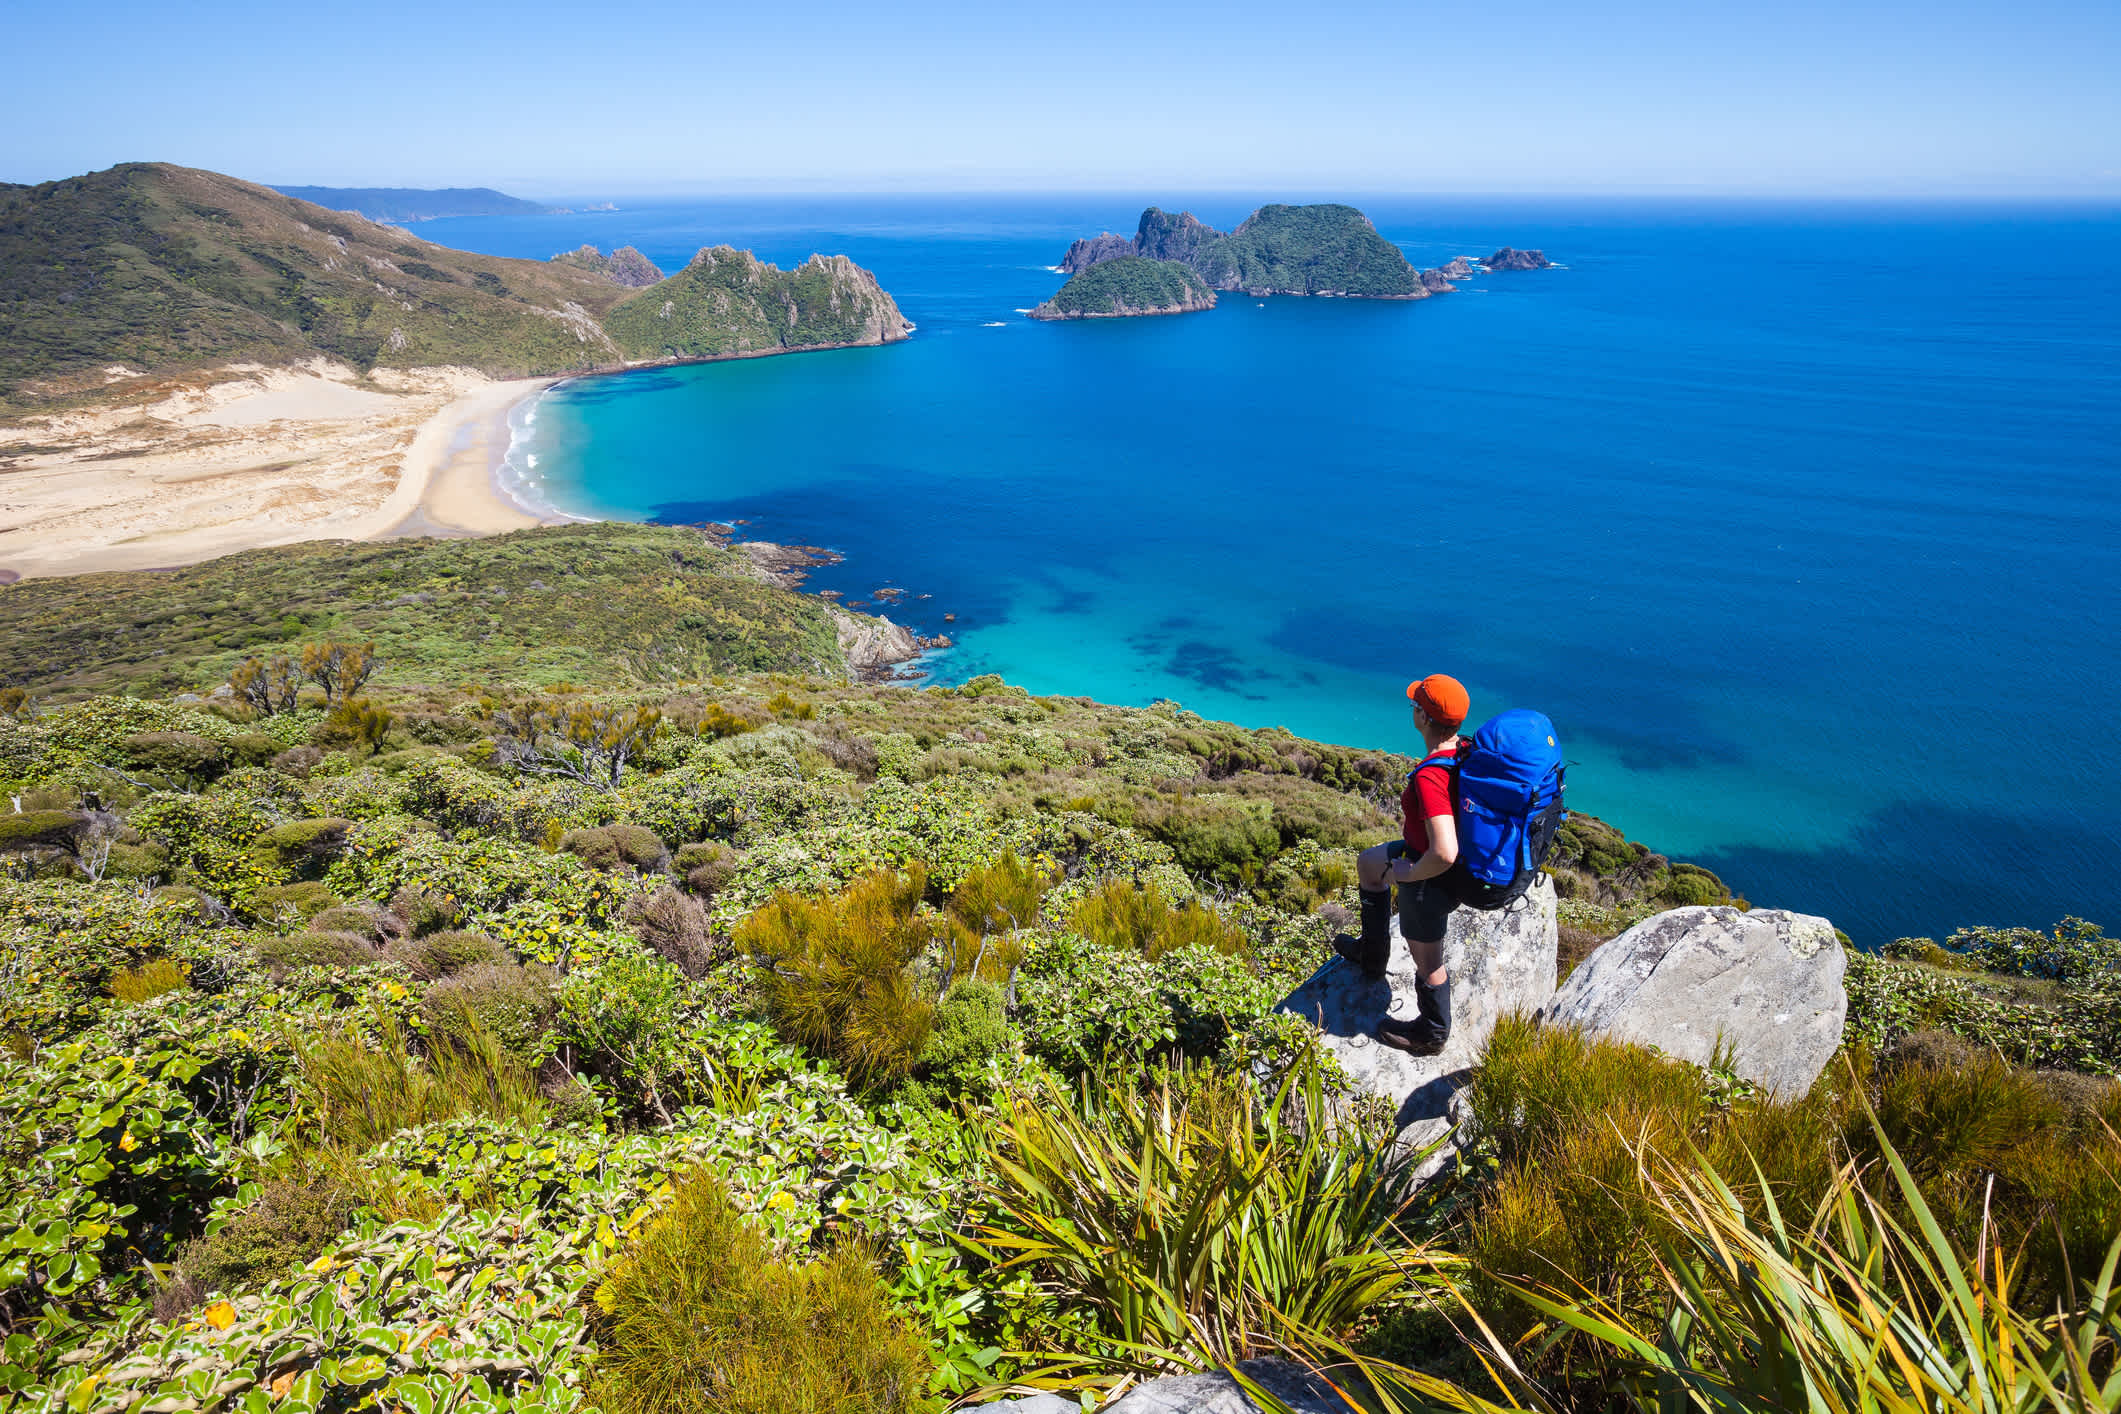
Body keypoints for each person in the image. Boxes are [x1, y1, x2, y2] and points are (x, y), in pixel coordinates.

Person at [1332, 673, 1469, 1055]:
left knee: (1428, 962)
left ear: (1424, 719)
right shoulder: (1464, 752)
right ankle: (1373, 957)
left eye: (1416, 706)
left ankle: (1432, 1033)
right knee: (1369, 863)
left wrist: (1411, 873)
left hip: (1431, 874)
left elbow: (1444, 851)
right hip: (1418, 852)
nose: (1413, 711)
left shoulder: (1431, 777)